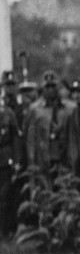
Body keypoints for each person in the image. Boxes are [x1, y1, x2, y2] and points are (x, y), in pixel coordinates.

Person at [23, 71, 73, 179]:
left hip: (63, 155)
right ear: (42, 88)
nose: (50, 89)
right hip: (43, 155)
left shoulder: (69, 108)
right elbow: (30, 138)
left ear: (58, 87)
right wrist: (31, 160)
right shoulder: (34, 108)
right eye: (47, 86)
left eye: (53, 86)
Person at [0, 96, 22, 237]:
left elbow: (15, 138)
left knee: (5, 196)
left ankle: (6, 229)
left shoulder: (8, 113)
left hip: (5, 159)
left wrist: (16, 162)